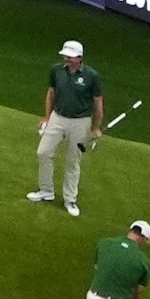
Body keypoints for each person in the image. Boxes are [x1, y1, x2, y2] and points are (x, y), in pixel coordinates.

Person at [34, 38, 106, 216]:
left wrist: (96, 127)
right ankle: (46, 190)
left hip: (80, 122)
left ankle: (70, 199)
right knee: (43, 152)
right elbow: (51, 93)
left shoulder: (91, 76)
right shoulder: (56, 70)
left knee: (73, 160)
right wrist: (47, 117)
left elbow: (98, 102)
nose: (67, 59)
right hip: (57, 117)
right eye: (66, 55)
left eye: (71, 56)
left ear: (80, 57)